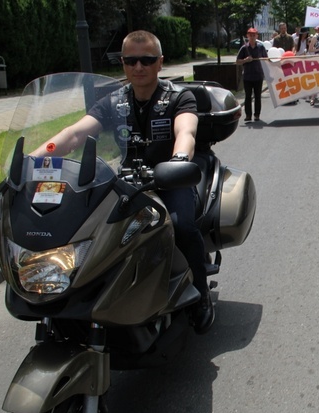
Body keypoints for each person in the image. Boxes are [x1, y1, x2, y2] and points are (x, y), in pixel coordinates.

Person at [30, 30, 214, 334]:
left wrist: (179, 160)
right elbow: (76, 133)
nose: (138, 67)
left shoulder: (179, 97)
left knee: (181, 225)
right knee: (94, 230)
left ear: (160, 63)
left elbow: (187, 131)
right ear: (123, 63)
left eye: (147, 59)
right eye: (131, 60)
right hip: (127, 180)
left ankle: (200, 292)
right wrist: (35, 158)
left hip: (170, 178)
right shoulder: (114, 101)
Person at [236, 28, 268, 122]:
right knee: (248, 96)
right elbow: (237, 61)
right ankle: (248, 115)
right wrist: (245, 60)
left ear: (257, 36)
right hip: (247, 76)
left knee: (258, 96)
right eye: (250, 35)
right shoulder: (244, 48)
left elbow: (266, 59)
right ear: (247, 36)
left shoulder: (261, 47)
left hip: (258, 75)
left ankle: (257, 115)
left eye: (254, 35)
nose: (252, 37)